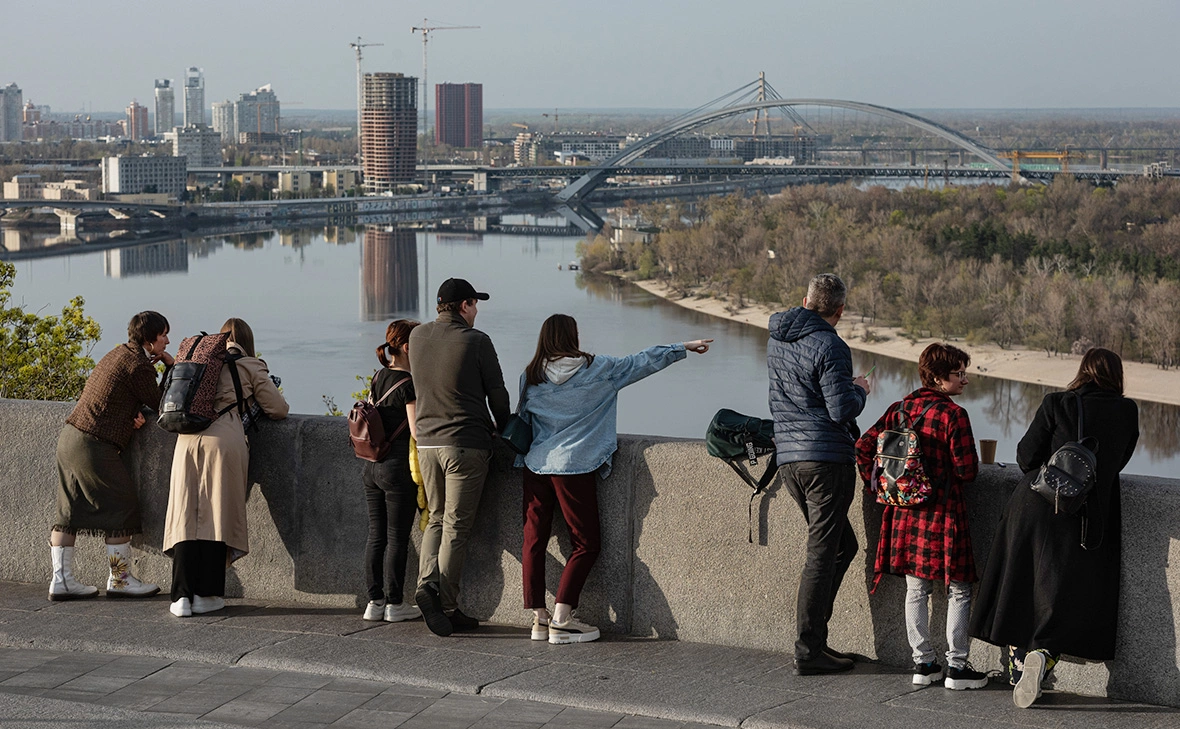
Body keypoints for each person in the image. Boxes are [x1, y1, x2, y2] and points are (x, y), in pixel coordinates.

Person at [516, 314, 712, 644]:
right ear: (573, 336)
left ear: (544, 338)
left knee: (533, 540)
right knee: (586, 543)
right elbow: (642, 362)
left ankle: (539, 619)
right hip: (574, 468)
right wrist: (683, 347)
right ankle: (562, 618)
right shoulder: (599, 368)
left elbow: (523, 420)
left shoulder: (531, 376)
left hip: (536, 466)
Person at [970, 347, 1138, 708]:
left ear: (1083, 370)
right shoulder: (1127, 410)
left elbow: (1027, 456)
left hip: (1038, 505)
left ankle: (1022, 667)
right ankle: (1043, 657)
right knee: (1071, 596)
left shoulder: (1058, 402)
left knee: (1022, 587)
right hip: (1089, 518)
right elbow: (1120, 461)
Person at [855, 343, 988, 690]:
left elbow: (863, 447)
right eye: (959, 373)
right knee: (959, 589)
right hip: (943, 513)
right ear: (938, 378)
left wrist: (881, 486)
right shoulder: (954, 416)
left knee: (916, 590)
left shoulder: (898, 410)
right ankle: (957, 668)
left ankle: (923, 663)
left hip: (904, 512)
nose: (966, 380)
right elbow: (967, 471)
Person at [767, 273, 870, 675]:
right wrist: (860, 387)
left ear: (806, 300)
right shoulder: (831, 345)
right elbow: (841, 409)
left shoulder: (777, 337)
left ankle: (816, 641)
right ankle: (809, 651)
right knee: (822, 555)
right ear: (839, 310)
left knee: (841, 547)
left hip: (789, 459)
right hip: (825, 460)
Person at [163, 318, 289, 617]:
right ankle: (207, 595)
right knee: (215, 514)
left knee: (186, 514)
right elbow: (278, 409)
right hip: (223, 441)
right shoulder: (248, 364)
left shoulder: (200, 361)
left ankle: (181, 596)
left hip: (186, 441)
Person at [409, 277, 511, 637]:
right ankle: (444, 602)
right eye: (475, 304)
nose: (477, 310)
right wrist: (505, 427)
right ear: (464, 306)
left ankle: (426, 586)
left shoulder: (416, 337)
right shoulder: (477, 341)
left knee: (435, 519)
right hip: (465, 443)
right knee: (456, 526)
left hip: (426, 446)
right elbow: (497, 395)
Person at [49, 310, 174, 601]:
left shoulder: (118, 354)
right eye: (163, 335)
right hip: (95, 444)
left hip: (70, 438)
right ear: (149, 339)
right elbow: (162, 404)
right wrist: (171, 366)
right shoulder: (139, 365)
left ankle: (62, 581)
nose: (167, 340)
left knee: (67, 511)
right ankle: (120, 580)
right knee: (122, 505)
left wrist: (133, 413)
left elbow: (117, 398)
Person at [359, 319, 423, 624]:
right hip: (398, 470)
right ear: (408, 347)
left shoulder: (378, 376)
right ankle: (396, 603)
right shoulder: (409, 384)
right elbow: (416, 430)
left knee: (376, 536)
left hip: (372, 466)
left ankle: (374, 601)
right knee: (398, 538)